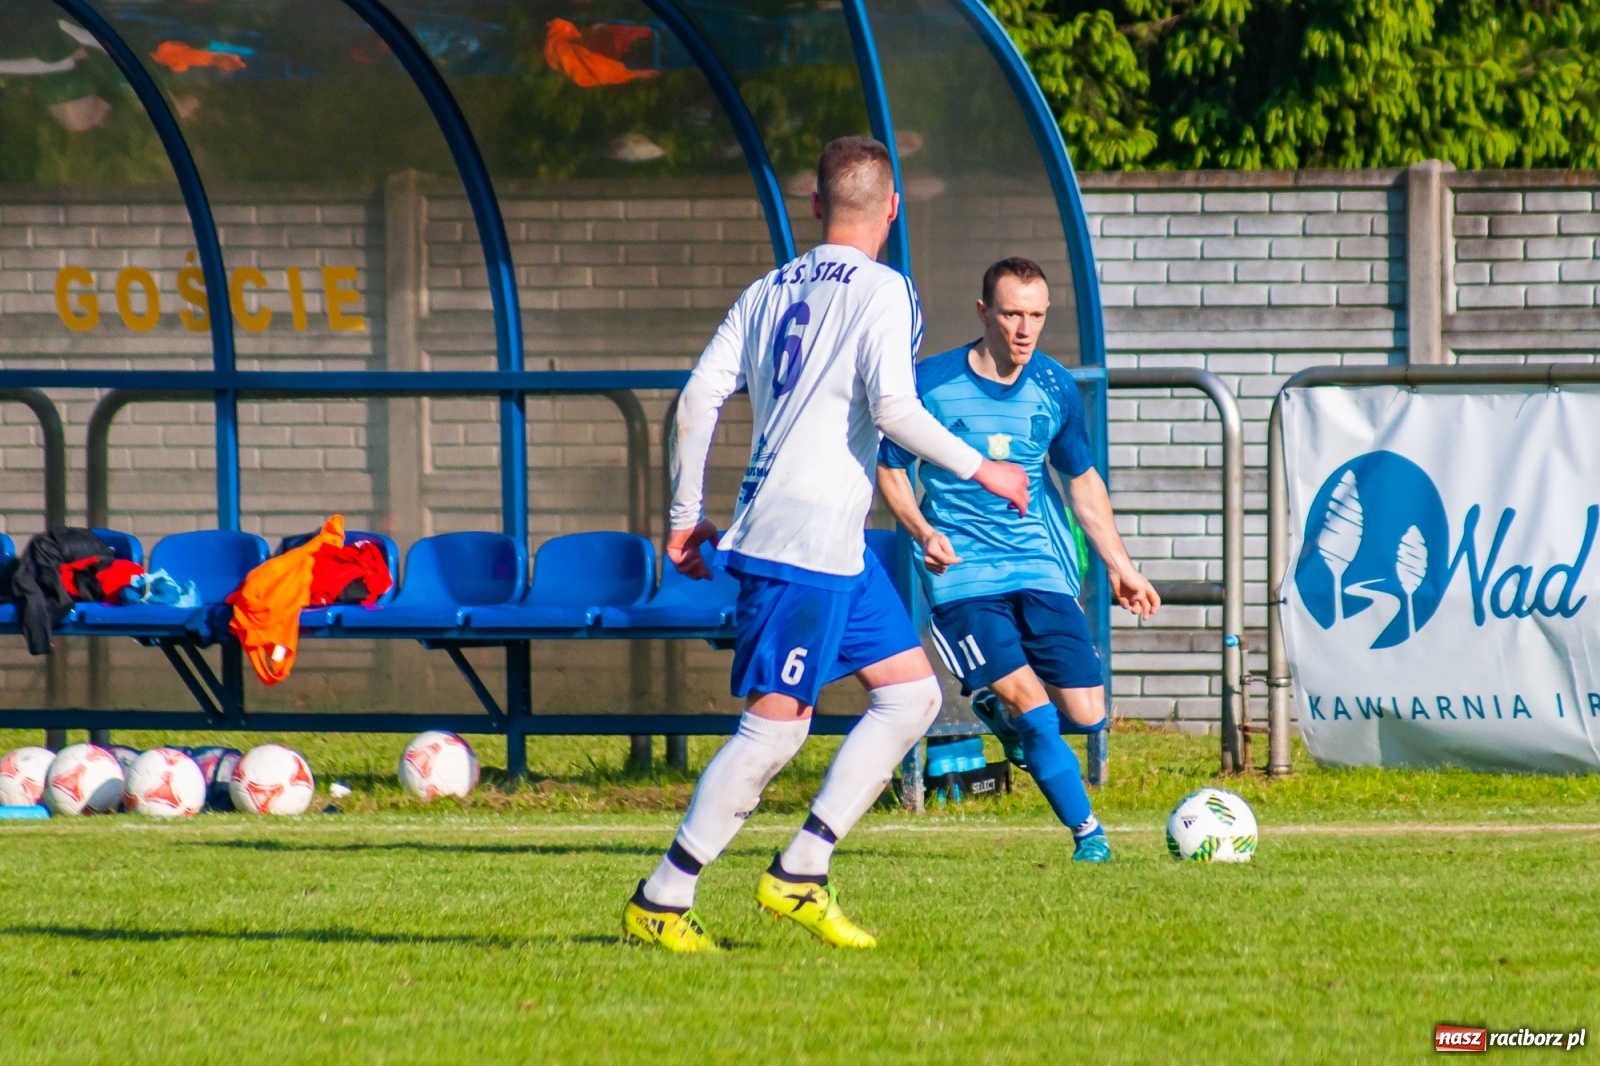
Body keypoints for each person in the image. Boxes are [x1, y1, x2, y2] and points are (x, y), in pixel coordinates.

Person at [622, 137, 1030, 953]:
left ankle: (801, 871)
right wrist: (983, 466)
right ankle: (661, 898)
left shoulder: (770, 288)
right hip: (802, 544)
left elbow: (700, 398)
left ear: (814, 206)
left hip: (831, 543)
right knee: (775, 732)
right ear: (892, 208)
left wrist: (683, 513)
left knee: (912, 696)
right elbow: (894, 411)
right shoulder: (887, 290)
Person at [877, 257, 1160, 862]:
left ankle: (1001, 717)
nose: (1024, 329)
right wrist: (923, 530)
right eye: (1011, 314)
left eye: (1036, 315)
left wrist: (1121, 565)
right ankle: (1090, 835)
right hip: (964, 576)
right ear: (984, 313)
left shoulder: (1055, 386)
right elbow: (891, 472)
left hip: (1039, 565)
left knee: (1087, 711)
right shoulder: (928, 386)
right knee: (1033, 703)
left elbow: (1082, 482)